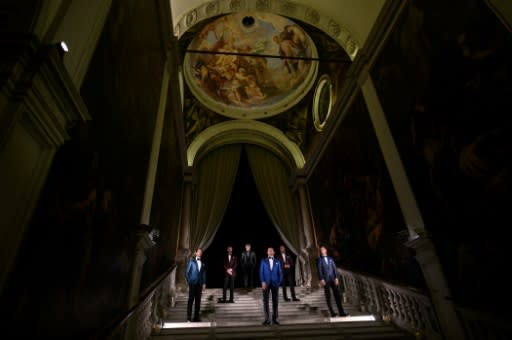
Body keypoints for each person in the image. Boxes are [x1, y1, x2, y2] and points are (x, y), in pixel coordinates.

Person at [317, 245, 348, 317]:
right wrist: (321, 279)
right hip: (325, 280)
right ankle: (332, 313)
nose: (322, 251)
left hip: (333, 279)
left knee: (337, 296)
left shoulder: (330, 258)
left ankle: (341, 312)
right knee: (328, 297)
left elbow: (334, 268)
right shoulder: (320, 260)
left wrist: (336, 278)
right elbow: (319, 270)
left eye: (323, 249)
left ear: (325, 250)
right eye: (321, 250)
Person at [259, 247, 283, 325]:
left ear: (274, 252)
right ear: (267, 252)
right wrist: (262, 281)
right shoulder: (263, 261)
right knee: (265, 301)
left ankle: (275, 319)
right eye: (268, 250)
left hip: (275, 284)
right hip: (266, 283)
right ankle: (267, 319)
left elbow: (280, 273)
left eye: (271, 250)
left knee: (275, 302)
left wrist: (279, 282)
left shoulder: (278, 261)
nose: (270, 251)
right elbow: (261, 272)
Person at [185, 248, 207, 322]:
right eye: (199, 252)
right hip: (192, 283)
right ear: (196, 253)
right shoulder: (191, 261)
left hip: (199, 284)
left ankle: (196, 317)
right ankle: (188, 317)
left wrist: (204, 283)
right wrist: (189, 281)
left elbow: (204, 274)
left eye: (201, 252)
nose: (200, 253)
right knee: (191, 300)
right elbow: (186, 272)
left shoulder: (203, 263)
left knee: (198, 301)